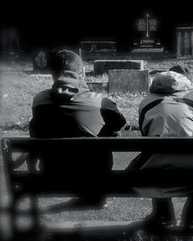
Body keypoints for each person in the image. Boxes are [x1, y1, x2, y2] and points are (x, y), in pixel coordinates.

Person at [127, 65, 193, 232]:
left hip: (154, 171)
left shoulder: (146, 102)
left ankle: (162, 214)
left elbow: (147, 136)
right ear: (187, 82)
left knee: (154, 156)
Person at [29, 49, 126, 207]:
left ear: (52, 73)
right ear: (81, 72)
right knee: (108, 131)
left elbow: (36, 131)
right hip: (93, 177)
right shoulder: (101, 101)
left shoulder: (39, 100)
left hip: (51, 175)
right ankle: (97, 196)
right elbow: (119, 125)